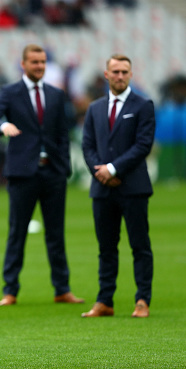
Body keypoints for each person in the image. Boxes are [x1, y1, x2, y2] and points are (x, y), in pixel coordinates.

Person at [0, 44, 83, 306]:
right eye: (34, 62)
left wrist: (63, 167)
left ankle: (62, 288)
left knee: (56, 232)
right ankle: (10, 290)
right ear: (23, 64)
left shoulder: (55, 94)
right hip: (22, 173)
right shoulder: (10, 92)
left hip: (52, 172)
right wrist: (3, 125)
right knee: (17, 231)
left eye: (42, 62)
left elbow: (63, 133)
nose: (39, 66)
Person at [81, 54, 155, 318]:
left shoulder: (144, 105)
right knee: (106, 247)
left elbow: (143, 145)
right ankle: (105, 301)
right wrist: (100, 172)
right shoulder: (95, 108)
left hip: (133, 187)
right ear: (106, 74)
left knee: (139, 245)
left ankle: (142, 300)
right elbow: (87, 145)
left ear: (131, 75)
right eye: (116, 71)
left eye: (125, 71)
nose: (120, 76)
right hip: (102, 189)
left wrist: (112, 168)